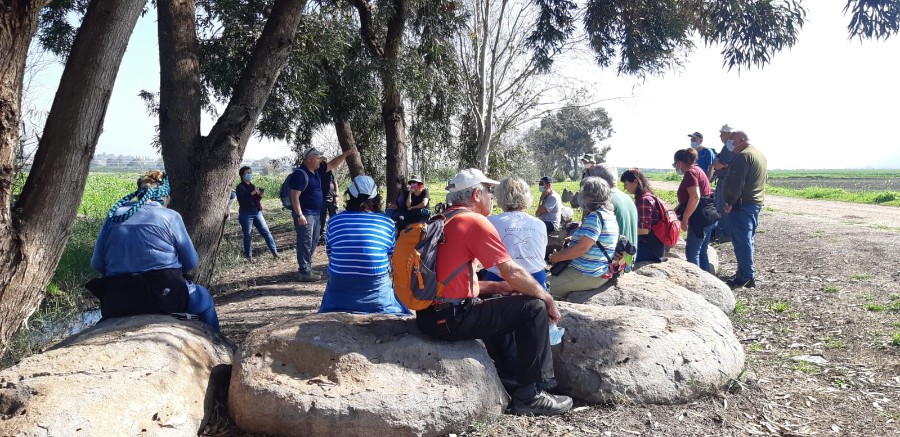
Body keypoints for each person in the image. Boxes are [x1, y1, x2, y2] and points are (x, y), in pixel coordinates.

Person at [415, 168, 572, 416]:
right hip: (452, 320)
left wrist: (498, 287)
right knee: (533, 307)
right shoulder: (474, 221)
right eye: (489, 190)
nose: (492, 196)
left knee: (498, 297)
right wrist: (547, 297)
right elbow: (512, 271)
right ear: (476, 194)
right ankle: (530, 395)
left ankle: (510, 374)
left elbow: (456, 283)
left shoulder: (444, 219)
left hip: (429, 317)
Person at [91, 170, 220, 332]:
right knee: (204, 299)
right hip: (166, 298)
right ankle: (218, 345)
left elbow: (97, 264)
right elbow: (191, 262)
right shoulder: (170, 217)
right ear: (164, 195)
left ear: (139, 193)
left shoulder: (114, 216)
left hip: (118, 300)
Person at [319, 176, 410, 315]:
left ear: (349, 196)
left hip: (338, 294)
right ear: (376, 198)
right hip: (377, 295)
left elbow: (332, 257)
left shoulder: (334, 221)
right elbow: (389, 258)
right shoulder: (387, 223)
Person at [290, 146, 355, 282]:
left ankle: (307, 267)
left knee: (313, 241)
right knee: (305, 242)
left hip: (316, 213)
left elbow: (332, 164)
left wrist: (345, 154)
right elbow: (294, 196)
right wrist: (300, 214)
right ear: (309, 159)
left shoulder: (316, 171)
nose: (320, 160)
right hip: (306, 214)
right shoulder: (300, 174)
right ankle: (304, 271)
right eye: (318, 158)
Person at [546, 177, 619, 299]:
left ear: (589, 197)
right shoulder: (608, 214)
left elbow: (581, 248)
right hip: (598, 272)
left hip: (586, 274)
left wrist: (556, 257)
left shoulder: (595, 217)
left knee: (539, 287)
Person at [721, 130, 767, 289]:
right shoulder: (759, 155)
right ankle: (745, 271)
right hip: (754, 203)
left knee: (742, 241)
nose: (729, 142)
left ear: (741, 140)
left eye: (732, 139)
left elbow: (736, 182)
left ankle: (746, 276)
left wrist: (729, 201)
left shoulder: (743, 156)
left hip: (742, 205)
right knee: (747, 239)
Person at [487, 176, 549, 288]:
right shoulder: (539, 223)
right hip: (536, 282)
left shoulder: (490, 222)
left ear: (500, 196)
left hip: (501, 282)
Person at [673, 148, 716, 272]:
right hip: (709, 215)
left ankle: (697, 281)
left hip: (700, 218)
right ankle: (708, 279)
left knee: (692, 253)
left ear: (679, 163)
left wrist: (685, 218)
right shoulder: (698, 170)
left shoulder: (690, 173)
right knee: (702, 251)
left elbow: (695, 197)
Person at [620, 168, 666, 263]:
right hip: (654, 247)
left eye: (626, 184)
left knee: (617, 255)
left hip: (650, 249)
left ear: (635, 182)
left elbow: (644, 230)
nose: (625, 188)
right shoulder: (647, 196)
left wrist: (623, 233)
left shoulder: (644, 200)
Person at [594, 162, 638, 255]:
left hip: (614, 262)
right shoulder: (628, 198)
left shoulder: (604, 200)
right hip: (629, 260)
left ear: (598, 180)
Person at [235, 166, 278, 260]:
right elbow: (242, 201)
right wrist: (252, 193)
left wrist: (260, 194)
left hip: (257, 211)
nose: (250, 174)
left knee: (266, 232)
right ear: (242, 175)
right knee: (248, 234)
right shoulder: (240, 187)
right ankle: (249, 256)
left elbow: (256, 199)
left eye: (250, 172)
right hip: (246, 213)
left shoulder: (252, 185)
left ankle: (275, 253)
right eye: (247, 173)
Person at [712, 124, 735, 243]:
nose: (720, 136)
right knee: (719, 206)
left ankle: (727, 234)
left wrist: (724, 165)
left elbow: (737, 164)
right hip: (722, 180)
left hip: (728, 181)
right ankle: (721, 232)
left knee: (725, 207)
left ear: (729, 134)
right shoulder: (726, 147)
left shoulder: (733, 147)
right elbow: (718, 159)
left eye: (723, 133)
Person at [319, 156, 339, 244]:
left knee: (334, 217)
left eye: (325, 161)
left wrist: (336, 195)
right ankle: (322, 236)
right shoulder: (317, 171)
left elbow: (335, 183)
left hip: (332, 198)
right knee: (322, 218)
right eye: (322, 161)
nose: (323, 163)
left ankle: (335, 234)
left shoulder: (331, 171)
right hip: (321, 199)